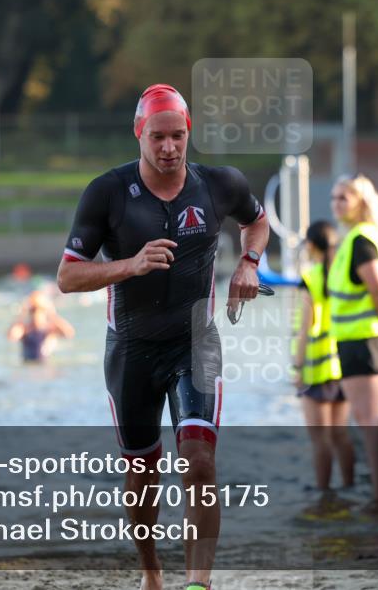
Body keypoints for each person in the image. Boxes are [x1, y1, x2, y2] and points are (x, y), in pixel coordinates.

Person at [57, 83, 269, 590]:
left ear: (188, 132)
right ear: (139, 133)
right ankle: (151, 569)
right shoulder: (107, 192)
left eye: (177, 136)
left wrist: (249, 263)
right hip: (130, 349)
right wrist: (129, 265)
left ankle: (199, 584)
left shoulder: (220, 183)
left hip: (196, 340)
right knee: (144, 476)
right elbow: (67, 276)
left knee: (199, 461)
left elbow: (257, 223)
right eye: (158, 137)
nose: (169, 148)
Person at [328, 174, 378, 514]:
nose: (336, 204)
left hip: (365, 340)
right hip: (353, 340)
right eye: (334, 198)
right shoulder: (351, 239)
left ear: (361, 202)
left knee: (368, 418)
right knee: (365, 417)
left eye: (343, 198)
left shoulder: (362, 240)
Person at [292, 221, 355, 497]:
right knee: (341, 435)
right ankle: (350, 486)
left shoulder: (311, 278)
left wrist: (297, 366)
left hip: (316, 369)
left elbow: (305, 328)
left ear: (311, 246)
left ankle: (324, 493)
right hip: (343, 365)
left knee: (320, 439)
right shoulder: (342, 273)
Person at [7, 292, 75, 363]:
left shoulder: (49, 329)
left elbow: (68, 333)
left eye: (39, 310)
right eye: (33, 310)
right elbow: (11, 336)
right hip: (28, 365)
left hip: (44, 365)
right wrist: (22, 314)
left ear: (45, 311)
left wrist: (52, 315)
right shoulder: (24, 329)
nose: (36, 314)